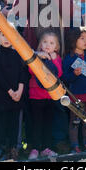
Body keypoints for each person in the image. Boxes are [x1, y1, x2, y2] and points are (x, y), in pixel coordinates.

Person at [0, 29, 27, 161]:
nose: (6, 38)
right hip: (2, 95)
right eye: (3, 35)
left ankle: (13, 150)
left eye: (9, 35)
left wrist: (19, 91)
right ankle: (2, 150)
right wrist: (11, 92)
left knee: (14, 125)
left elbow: (23, 72)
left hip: (17, 96)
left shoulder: (17, 53)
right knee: (2, 124)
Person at [62, 27, 86, 153]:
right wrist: (74, 74)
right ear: (74, 40)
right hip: (75, 97)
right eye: (82, 38)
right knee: (75, 121)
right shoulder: (69, 58)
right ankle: (75, 146)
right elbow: (65, 78)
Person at [27, 31, 63, 160]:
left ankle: (46, 148)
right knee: (36, 123)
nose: (48, 45)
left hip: (50, 96)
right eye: (45, 42)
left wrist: (53, 59)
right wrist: (39, 57)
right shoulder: (35, 56)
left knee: (48, 123)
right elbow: (31, 70)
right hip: (36, 95)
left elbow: (58, 73)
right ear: (40, 44)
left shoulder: (56, 57)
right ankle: (35, 148)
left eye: (52, 43)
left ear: (56, 47)